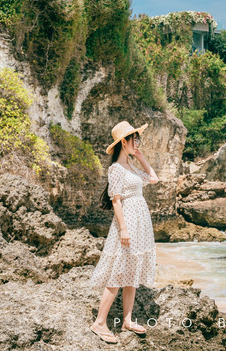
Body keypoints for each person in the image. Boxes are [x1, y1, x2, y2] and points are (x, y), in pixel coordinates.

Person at [88, 121, 158, 344]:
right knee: (118, 272)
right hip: (126, 222)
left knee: (132, 271)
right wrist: (123, 229)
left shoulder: (132, 167)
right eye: (134, 139)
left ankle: (127, 319)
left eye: (137, 139)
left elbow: (153, 178)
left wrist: (141, 158)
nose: (137, 143)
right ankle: (100, 322)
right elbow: (116, 201)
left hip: (141, 223)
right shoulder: (116, 169)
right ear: (124, 142)